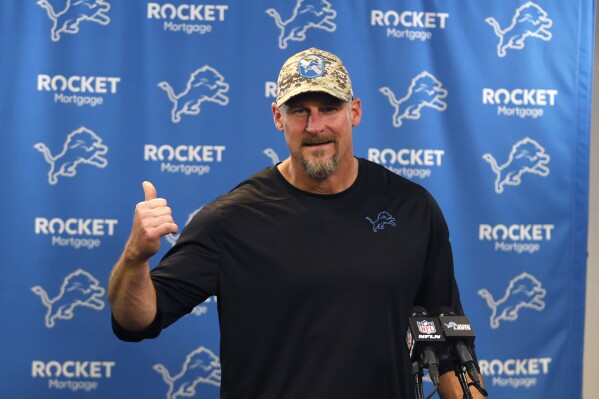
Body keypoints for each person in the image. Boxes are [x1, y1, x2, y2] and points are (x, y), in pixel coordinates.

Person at [108, 48, 485, 398]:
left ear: (354, 111)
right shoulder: (231, 220)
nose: (315, 125)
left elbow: (450, 346)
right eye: (299, 110)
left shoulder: (411, 209)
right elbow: (138, 319)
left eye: (329, 107)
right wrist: (135, 258)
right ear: (278, 117)